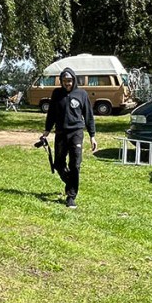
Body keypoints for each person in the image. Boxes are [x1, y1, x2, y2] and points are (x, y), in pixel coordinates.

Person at [40, 68, 97, 208]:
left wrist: (92, 136)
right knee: (58, 164)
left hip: (76, 133)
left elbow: (89, 115)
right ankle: (71, 183)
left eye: (70, 81)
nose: (67, 83)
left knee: (75, 165)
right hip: (60, 133)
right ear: (61, 81)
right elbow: (51, 113)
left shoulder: (82, 94)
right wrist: (46, 131)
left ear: (74, 80)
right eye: (65, 81)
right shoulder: (57, 93)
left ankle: (71, 196)